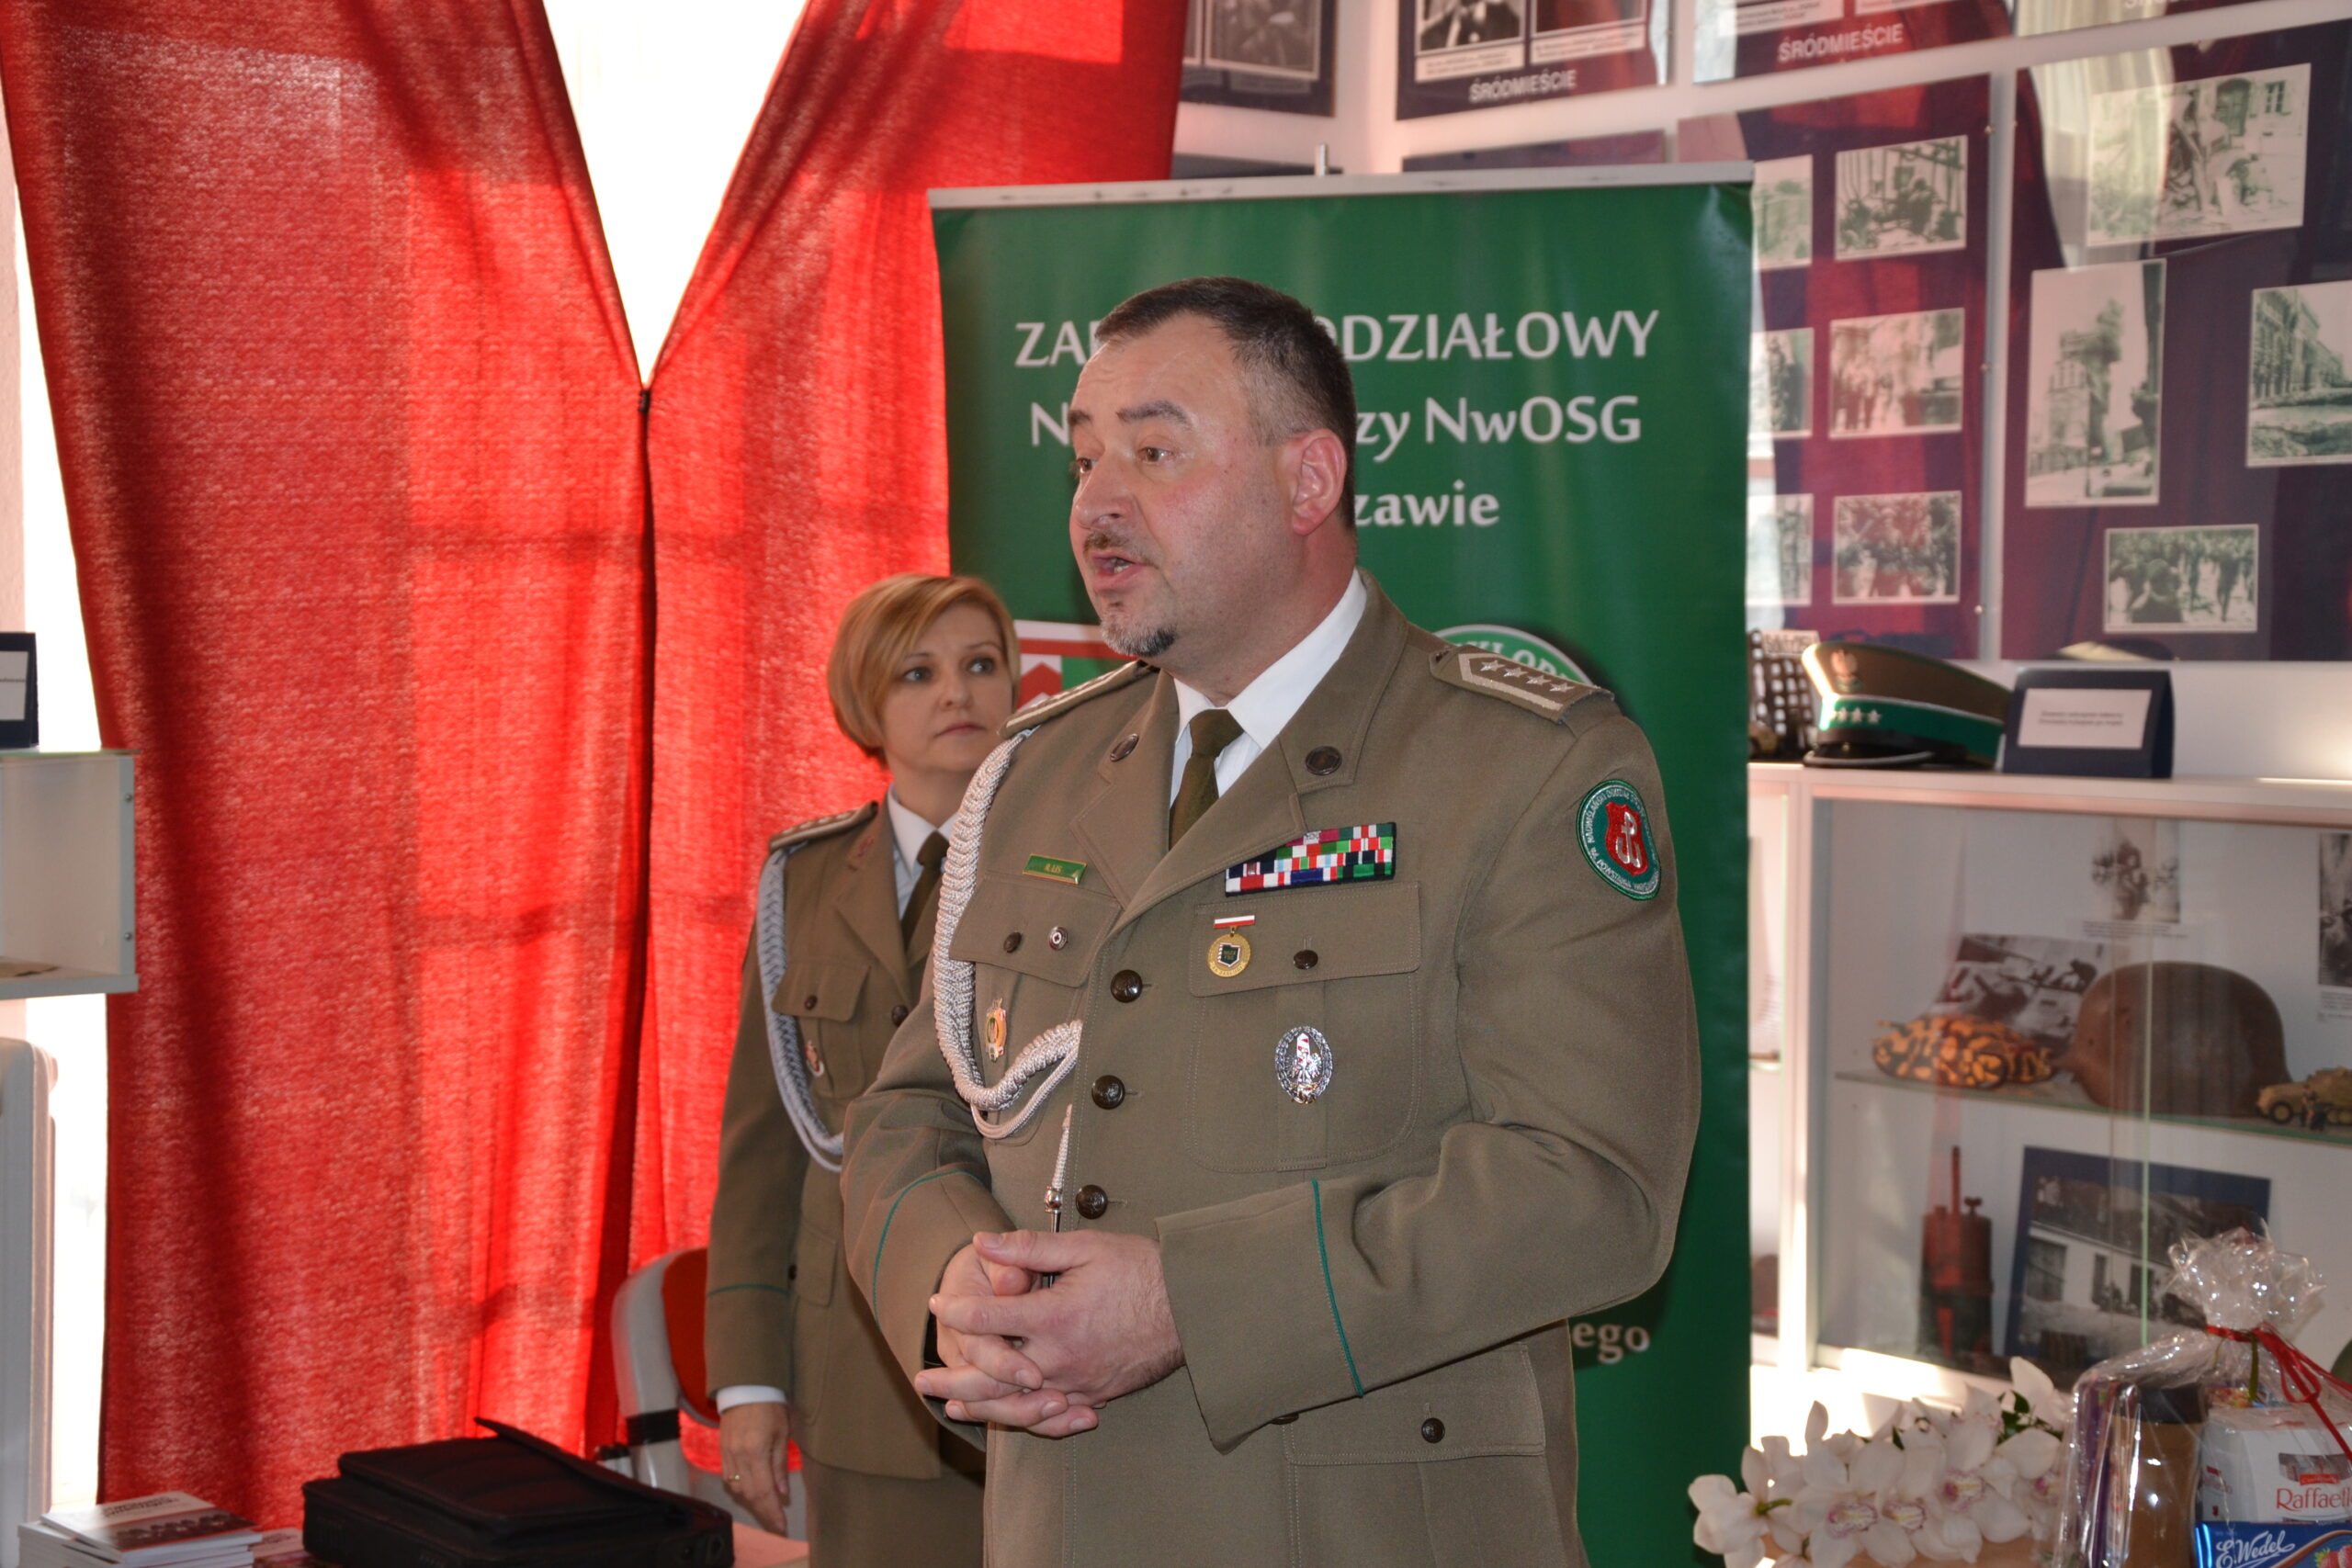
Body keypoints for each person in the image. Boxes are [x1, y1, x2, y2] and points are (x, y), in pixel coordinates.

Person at [839, 277, 1701, 1566]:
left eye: (1154, 451)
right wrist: (953, 1285)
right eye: (1083, 456)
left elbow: (1592, 1183)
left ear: (1308, 481)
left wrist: (1191, 1304)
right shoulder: (1033, 773)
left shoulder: (1522, 766)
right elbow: (910, 1110)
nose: (1095, 503)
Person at [704, 572, 1018, 1567]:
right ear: (863, 704)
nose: (957, 693)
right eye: (917, 673)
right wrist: (750, 1384)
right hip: (856, 1368)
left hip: (1026, 1347)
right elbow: (763, 1153)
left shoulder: (1067, 866)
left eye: (981, 664)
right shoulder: (800, 883)